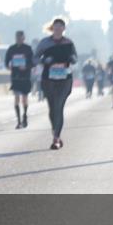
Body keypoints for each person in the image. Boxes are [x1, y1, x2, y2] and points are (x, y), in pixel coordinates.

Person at [34, 18, 77, 150]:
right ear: (52, 28)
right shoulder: (45, 43)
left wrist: (71, 59)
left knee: (59, 106)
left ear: (64, 29)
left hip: (65, 79)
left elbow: (75, 57)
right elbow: (35, 58)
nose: (58, 29)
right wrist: (45, 60)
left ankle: (56, 138)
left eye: (60, 27)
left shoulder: (68, 42)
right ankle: (55, 129)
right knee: (52, 108)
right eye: (56, 27)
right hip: (49, 79)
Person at [4, 30, 34, 129]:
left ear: (24, 38)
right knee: (16, 98)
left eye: (21, 38)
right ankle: (18, 121)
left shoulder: (28, 48)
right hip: (15, 76)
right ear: (15, 38)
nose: (19, 40)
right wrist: (8, 66)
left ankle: (25, 115)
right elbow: (6, 61)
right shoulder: (11, 49)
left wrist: (26, 66)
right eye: (17, 38)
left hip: (25, 76)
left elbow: (33, 62)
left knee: (24, 99)